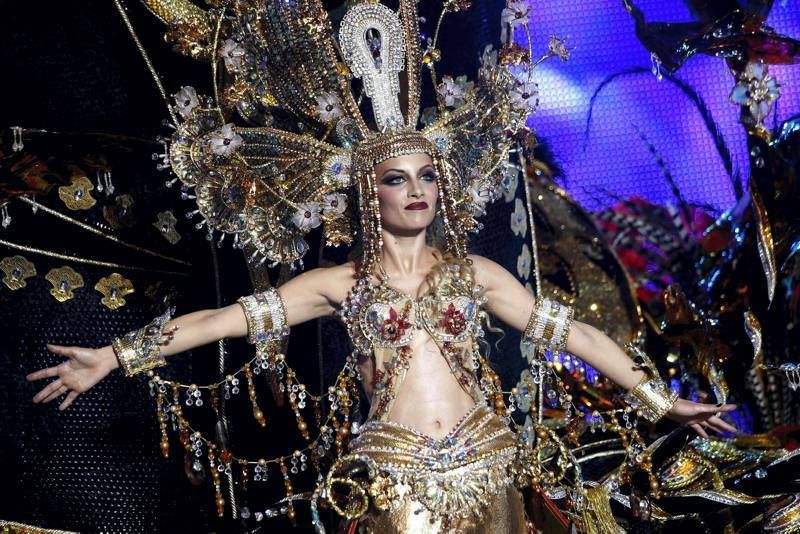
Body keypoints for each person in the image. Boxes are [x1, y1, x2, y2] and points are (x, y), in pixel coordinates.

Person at [27, 146, 737, 532]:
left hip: (489, 465)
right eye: (398, 179)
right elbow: (223, 321)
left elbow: (575, 332)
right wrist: (115, 357)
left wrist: (657, 400)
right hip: (395, 476)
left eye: (429, 175)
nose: (417, 189)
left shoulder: (478, 273)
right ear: (373, 196)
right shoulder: (339, 284)